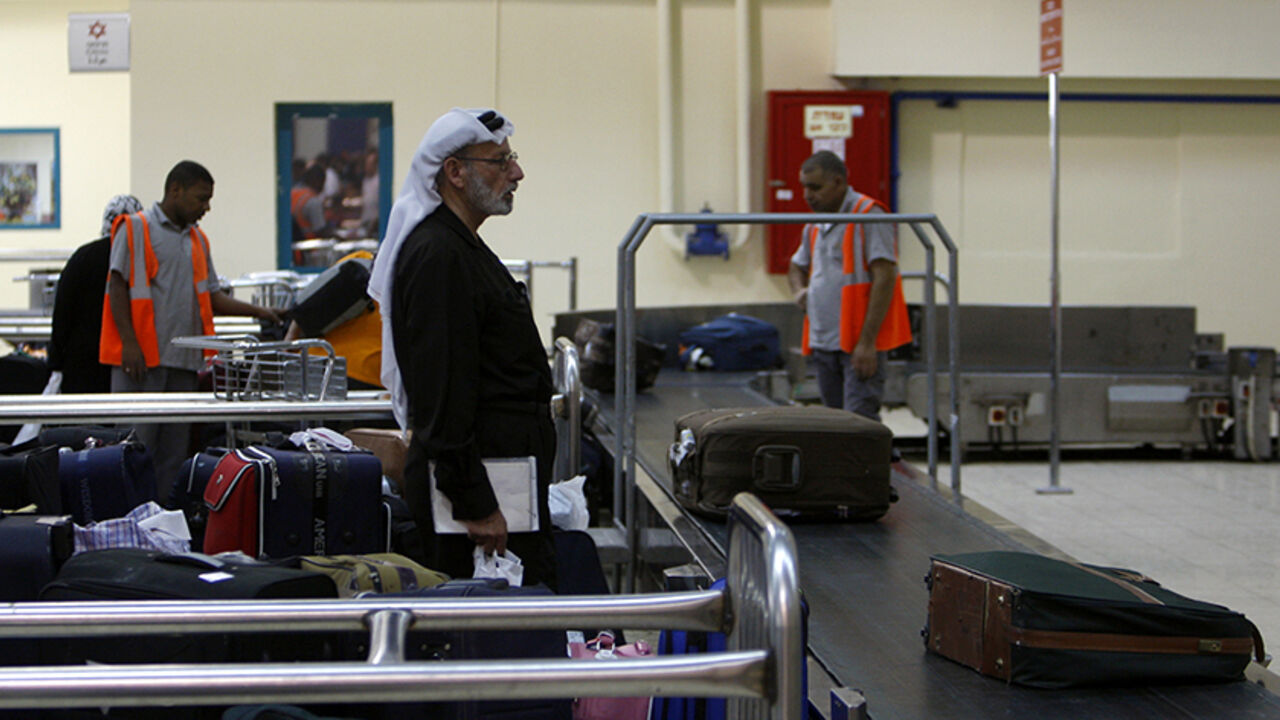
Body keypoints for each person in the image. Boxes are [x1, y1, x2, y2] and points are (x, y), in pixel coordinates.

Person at [368, 108, 556, 588]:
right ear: (454, 171)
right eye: (499, 161)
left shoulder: (461, 246)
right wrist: (477, 504)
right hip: (473, 502)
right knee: (477, 641)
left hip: (496, 479)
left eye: (512, 158)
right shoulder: (439, 256)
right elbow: (442, 398)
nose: (516, 173)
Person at [101, 160, 284, 493]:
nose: (206, 207)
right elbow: (116, 286)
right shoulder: (135, 228)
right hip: (142, 362)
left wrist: (261, 311)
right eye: (201, 199)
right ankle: (128, 525)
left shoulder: (198, 240)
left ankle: (165, 525)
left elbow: (212, 297)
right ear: (176, 190)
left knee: (173, 455)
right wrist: (129, 343)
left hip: (183, 364)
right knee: (133, 450)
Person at [787, 150, 912, 422]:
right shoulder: (816, 223)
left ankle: (873, 464)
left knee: (859, 422)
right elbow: (796, 265)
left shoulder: (869, 214)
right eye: (805, 187)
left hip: (857, 343)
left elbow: (885, 276)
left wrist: (867, 343)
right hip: (824, 341)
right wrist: (799, 291)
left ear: (839, 182)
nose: (808, 195)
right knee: (836, 423)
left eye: (816, 188)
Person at [48, 194, 143, 394]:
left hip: (81, 363)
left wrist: (56, 362)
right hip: (128, 363)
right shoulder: (140, 260)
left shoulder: (82, 257)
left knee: (83, 423)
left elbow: (62, 314)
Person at [291, 164, 330, 241]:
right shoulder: (313, 201)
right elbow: (320, 230)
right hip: (309, 247)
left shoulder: (293, 192)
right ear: (317, 181)